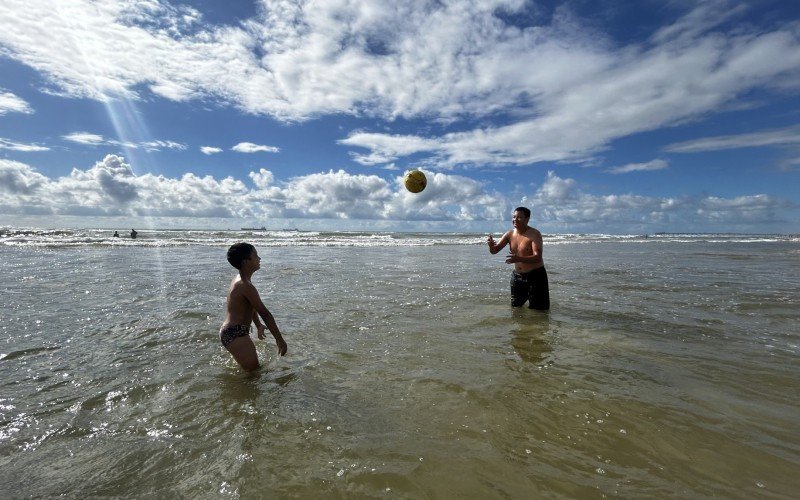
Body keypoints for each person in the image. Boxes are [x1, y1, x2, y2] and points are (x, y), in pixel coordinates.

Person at [220, 242, 287, 370]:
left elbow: (250, 306)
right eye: (256, 255)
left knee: (251, 372)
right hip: (235, 334)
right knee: (254, 375)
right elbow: (265, 313)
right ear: (246, 261)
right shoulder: (245, 285)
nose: (259, 258)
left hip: (231, 332)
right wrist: (279, 339)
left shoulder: (241, 280)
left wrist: (258, 325)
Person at [487, 207, 550, 310]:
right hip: (517, 277)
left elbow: (538, 257)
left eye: (519, 217)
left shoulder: (534, 234)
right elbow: (494, 251)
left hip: (536, 276)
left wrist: (519, 259)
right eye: (514, 217)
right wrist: (491, 246)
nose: (515, 220)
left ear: (527, 219)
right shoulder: (509, 234)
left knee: (539, 311)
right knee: (516, 309)